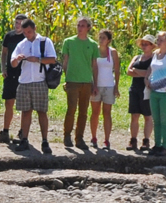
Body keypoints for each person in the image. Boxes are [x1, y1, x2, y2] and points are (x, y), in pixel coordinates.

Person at [10, 19, 56, 154]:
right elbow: (13, 64)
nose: (27, 34)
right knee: (25, 112)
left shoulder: (45, 42)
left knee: (42, 111)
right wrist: (17, 59)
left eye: (29, 32)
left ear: (34, 28)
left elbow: (52, 59)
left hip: (39, 80)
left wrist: (37, 59)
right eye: (24, 32)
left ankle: (45, 141)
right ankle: (24, 139)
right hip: (24, 81)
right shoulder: (21, 44)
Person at [59, 16, 99, 149]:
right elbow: (65, 62)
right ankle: (67, 135)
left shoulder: (93, 45)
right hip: (73, 81)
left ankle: (79, 138)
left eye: (83, 25)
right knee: (71, 109)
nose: (80, 28)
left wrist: (95, 84)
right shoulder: (69, 42)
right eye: (78, 25)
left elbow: (94, 65)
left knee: (83, 111)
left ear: (88, 28)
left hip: (86, 82)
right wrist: (67, 79)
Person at [0, 14, 28, 142]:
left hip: (23, 74)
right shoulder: (9, 36)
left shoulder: (27, 37)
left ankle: (22, 132)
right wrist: (3, 68)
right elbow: (4, 53)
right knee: (8, 102)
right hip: (10, 73)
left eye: (21, 23)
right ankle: (5, 132)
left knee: (23, 105)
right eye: (16, 22)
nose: (18, 25)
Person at [90, 28, 118, 149]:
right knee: (95, 112)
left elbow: (117, 70)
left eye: (104, 38)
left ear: (109, 40)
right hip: (96, 85)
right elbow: (91, 68)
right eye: (100, 37)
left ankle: (106, 140)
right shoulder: (93, 50)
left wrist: (116, 86)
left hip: (109, 85)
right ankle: (93, 137)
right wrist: (93, 85)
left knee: (107, 113)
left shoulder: (113, 52)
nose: (101, 40)